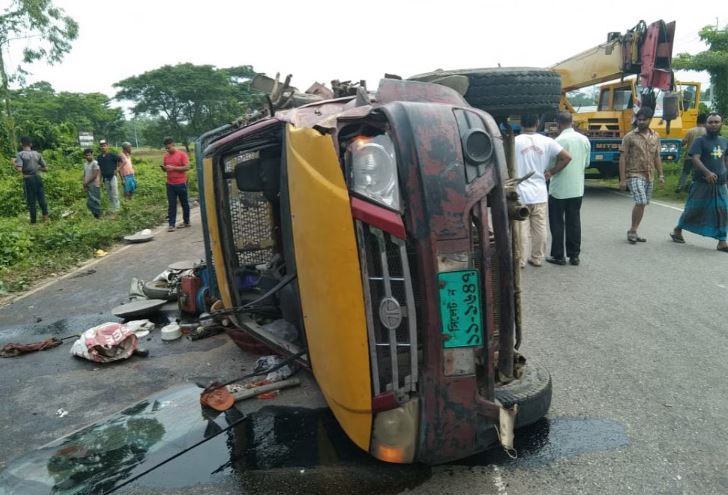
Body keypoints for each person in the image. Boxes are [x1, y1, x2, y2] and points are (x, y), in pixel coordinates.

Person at [515, 114, 572, 267]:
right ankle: (537, 258)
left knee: (521, 227)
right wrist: (551, 172)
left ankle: (520, 260)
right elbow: (567, 157)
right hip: (540, 192)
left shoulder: (514, 141)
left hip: (520, 193)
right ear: (538, 123)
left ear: (521, 124)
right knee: (539, 227)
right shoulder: (547, 141)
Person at [670, 113, 728, 251]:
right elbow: (695, 158)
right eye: (710, 122)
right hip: (701, 182)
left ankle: (722, 241)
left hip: (719, 183)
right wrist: (707, 172)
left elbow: (726, 160)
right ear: (706, 124)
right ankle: (677, 230)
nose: (713, 124)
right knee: (693, 210)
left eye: (716, 122)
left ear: (721, 124)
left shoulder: (724, 141)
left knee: (723, 210)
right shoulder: (700, 141)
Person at [546, 112, 591, 266]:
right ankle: (574, 255)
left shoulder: (558, 141)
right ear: (572, 122)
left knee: (557, 222)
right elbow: (586, 164)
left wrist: (550, 172)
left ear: (558, 124)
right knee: (574, 221)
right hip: (577, 188)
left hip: (559, 189)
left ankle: (558, 255)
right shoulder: (584, 139)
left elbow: (550, 165)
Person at [619, 107, 664, 244]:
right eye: (639, 119)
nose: (641, 122)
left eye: (644, 120)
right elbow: (623, 158)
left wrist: (661, 174)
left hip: (649, 175)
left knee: (643, 204)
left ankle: (635, 230)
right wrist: (622, 180)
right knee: (641, 201)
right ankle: (632, 230)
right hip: (634, 173)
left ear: (650, 120)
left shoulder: (655, 136)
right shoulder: (629, 137)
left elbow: (657, 156)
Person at [14, 136, 49, 224]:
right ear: (31, 144)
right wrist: (37, 168)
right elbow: (46, 168)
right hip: (38, 177)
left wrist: (14, 163)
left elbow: (19, 169)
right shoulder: (37, 154)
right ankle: (46, 218)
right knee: (41, 198)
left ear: (21, 144)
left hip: (28, 179)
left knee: (31, 201)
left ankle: (33, 222)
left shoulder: (20, 154)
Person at [162, 137, 191, 232]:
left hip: (181, 183)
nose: (168, 150)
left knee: (184, 203)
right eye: (166, 148)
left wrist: (173, 168)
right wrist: (165, 168)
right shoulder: (166, 156)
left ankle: (186, 221)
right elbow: (167, 167)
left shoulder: (182, 154)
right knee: (171, 204)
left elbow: (187, 167)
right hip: (170, 183)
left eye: (169, 147)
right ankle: (171, 224)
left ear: (173, 145)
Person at [675, 113, 707, 193]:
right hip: (701, 158)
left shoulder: (690, 130)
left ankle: (680, 187)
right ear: (705, 121)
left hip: (689, 156)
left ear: (697, 121)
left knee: (685, 172)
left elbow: (683, 142)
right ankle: (694, 188)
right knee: (696, 173)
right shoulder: (707, 132)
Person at [97, 140, 121, 212]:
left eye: (104, 145)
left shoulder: (112, 155)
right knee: (109, 194)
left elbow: (122, 161)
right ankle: (112, 208)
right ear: (100, 147)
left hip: (113, 177)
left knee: (115, 193)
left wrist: (117, 169)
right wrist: (99, 180)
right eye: (101, 146)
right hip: (105, 178)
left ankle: (117, 209)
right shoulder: (99, 157)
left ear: (107, 146)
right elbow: (100, 169)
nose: (103, 147)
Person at [82, 149, 101, 219]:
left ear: (92, 155)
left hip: (94, 185)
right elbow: (84, 174)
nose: (88, 156)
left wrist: (86, 183)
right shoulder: (85, 164)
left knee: (95, 200)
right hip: (88, 185)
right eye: (86, 155)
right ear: (84, 156)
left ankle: (99, 216)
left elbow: (95, 175)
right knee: (90, 202)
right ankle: (95, 216)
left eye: (89, 155)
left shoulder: (95, 163)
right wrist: (84, 183)